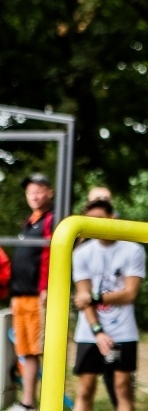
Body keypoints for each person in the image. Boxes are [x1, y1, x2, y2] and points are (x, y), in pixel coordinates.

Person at [72, 199, 146, 411]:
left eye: (99, 219)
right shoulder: (81, 253)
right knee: (85, 389)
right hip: (90, 330)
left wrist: (94, 298)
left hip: (123, 329)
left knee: (123, 388)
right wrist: (98, 331)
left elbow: (129, 293)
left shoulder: (133, 250)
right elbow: (82, 297)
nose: (94, 225)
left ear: (112, 218)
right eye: (90, 220)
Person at [7, 173, 55, 411]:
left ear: (49, 192)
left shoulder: (52, 220)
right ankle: (28, 403)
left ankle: (40, 402)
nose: (34, 196)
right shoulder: (29, 222)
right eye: (30, 192)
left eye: (38, 190)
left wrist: (46, 287)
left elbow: (50, 255)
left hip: (38, 296)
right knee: (25, 351)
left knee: (38, 349)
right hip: (20, 296)